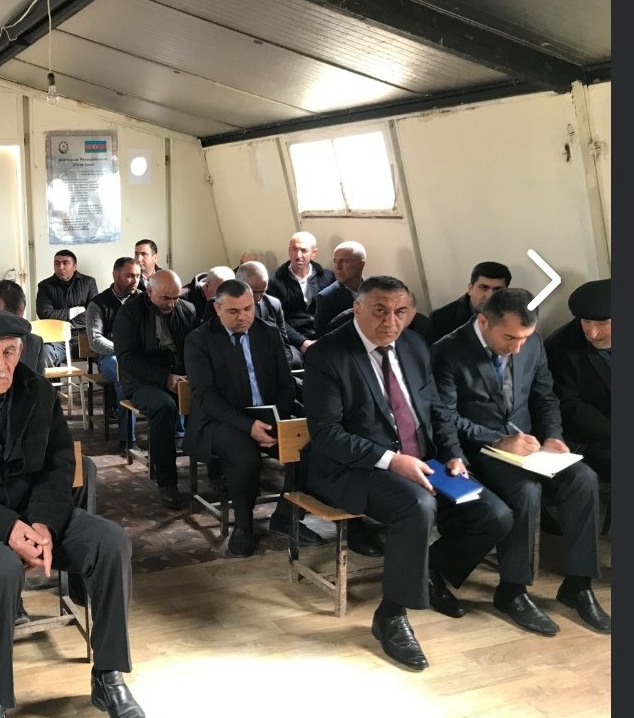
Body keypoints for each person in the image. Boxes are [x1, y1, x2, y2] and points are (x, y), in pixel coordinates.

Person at [0, 310, 145, 718]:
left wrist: (42, 522)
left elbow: (58, 465)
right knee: (0, 568)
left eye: (10, 351)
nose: (1, 364)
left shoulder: (37, 390)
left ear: (21, 351)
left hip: (35, 513)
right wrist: (8, 528)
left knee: (110, 542)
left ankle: (108, 675)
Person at [303, 275, 513, 670]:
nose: (391, 322)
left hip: (423, 460)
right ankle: (391, 616)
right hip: (354, 467)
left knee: (495, 515)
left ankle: (428, 571)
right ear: (357, 309)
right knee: (417, 507)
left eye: (401, 312)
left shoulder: (415, 346)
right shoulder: (327, 355)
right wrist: (391, 459)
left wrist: (452, 455)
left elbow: (437, 411)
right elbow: (327, 434)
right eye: (380, 311)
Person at [431, 287, 610, 635]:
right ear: (484, 321)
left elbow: (545, 397)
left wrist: (553, 435)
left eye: (524, 338)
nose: (517, 348)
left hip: (529, 445)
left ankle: (578, 585)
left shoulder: (533, 343)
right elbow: (444, 418)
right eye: (510, 338)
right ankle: (512, 590)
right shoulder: (447, 350)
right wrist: (497, 440)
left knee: (583, 479)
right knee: (525, 491)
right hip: (479, 449)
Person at [183, 279, 297, 557]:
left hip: (267, 414)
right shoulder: (200, 339)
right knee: (245, 456)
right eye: (233, 311)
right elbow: (205, 397)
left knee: (307, 447)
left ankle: (285, 515)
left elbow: (286, 383)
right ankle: (244, 525)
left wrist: (277, 420)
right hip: (221, 419)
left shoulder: (268, 332)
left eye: (248, 309)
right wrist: (248, 425)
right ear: (217, 308)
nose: (243, 317)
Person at [113, 269, 197, 509]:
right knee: (164, 407)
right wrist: (165, 378)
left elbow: (196, 348)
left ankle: (216, 470)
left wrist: (192, 377)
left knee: (210, 399)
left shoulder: (187, 310)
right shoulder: (129, 313)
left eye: (176, 297)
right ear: (149, 292)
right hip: (142, 381)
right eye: (165, 298)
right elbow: (127, 359)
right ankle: (167, 481)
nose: (172, 304)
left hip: (180, 375)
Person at [544, 278, 611, 481]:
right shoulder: (561, 348)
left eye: (602, 324)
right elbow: (571, 407)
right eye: (586, 322)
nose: (592, 333)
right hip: (593, 437)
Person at [87, 257, 143, 447]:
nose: (135, 280)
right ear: (115, 275)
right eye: (129, 276)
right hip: (110, 357)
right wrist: (124, 350)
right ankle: (128, 440)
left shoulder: (144, 300)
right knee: (124, 377)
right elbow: (95, 340)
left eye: (138, 276)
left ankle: (177, 436)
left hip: (141, 356)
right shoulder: (98, 303)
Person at [266, 231, 336, 355]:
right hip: (293, 340)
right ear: (289, 251)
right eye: (294, 249)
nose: (298, 255)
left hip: (325, 336)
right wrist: (301, 342)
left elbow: (335, 312)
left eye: (303, 250)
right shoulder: (274, 282)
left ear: (313, 253)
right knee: (291, 360)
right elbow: (276, 319)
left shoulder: (328, 277)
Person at [35, 249, 99, 367]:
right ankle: (48, 381)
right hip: (58, 339)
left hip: (86, 337)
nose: (60, 267)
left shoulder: (88, 282)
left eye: (65, 263)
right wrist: (76, 310)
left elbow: (94, 313)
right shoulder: (45, 286)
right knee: (45, 353)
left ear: (75, 266)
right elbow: (45, 314)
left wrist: (68, 323)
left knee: (109, 356)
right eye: (57, 263)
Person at [429, 261, 511, 343]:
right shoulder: (440, 319)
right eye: (483, 287)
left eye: (497, 289)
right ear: (470, 288)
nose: (489, 296)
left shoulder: (514, 315)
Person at [236, 261, 298, 368]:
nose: (258, 298)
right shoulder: (225, 308)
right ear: (238, 285)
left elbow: (283, 342)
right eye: (254, 292)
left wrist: (282, 365)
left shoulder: (273, 304)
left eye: (262, 291)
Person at [313, 240, 367, 336]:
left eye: (344, 261)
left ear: (361, 265)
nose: (337, 268)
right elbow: (322, 337)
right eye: (335, 261)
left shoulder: (376, 289)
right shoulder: (325, 297)